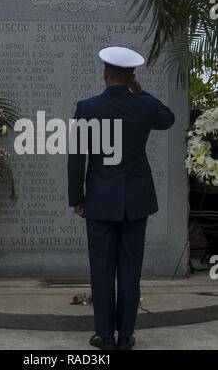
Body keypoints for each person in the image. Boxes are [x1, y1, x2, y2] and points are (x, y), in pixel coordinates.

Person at [68, 46, 175, 350]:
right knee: (130, 269)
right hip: (136, 201)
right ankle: (126, 335)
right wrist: (141, 94)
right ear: (132, 77)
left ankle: (104, 335)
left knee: (102, 269)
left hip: (100, 201)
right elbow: (168, 118)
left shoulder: (88, 108)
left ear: (105, 75)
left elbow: (77, 157)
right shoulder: (143, 106)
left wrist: (76, 196)